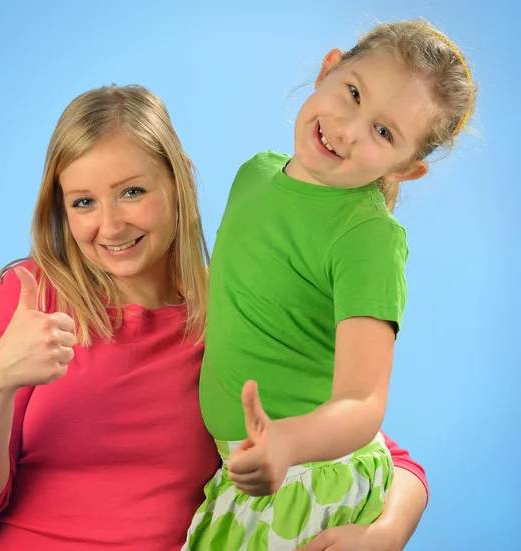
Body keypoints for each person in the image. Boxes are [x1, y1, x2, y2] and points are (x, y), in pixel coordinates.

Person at [0, 84, 428, 551]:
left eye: (132, 192)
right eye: (83, 202)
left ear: (179, 178)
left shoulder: (230, 303)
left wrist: (387, 531)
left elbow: (365, 445)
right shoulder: (30, 297)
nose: (110, 225)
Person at [183, 21, 476, 550]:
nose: (347, 130)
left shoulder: (367, 237)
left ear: (406, 169)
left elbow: (363, 401)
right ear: (328, 68)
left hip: (307, 482)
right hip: (241, 477)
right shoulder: (254, 176)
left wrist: (287, 443)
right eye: (354, 93)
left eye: (383, 133)